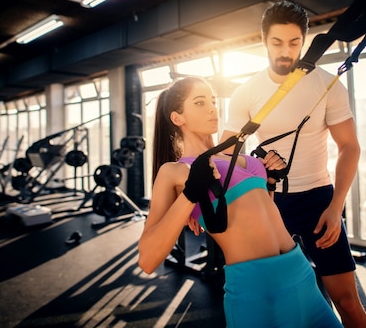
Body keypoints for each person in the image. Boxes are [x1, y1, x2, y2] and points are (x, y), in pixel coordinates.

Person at [138, 76, 342, 328]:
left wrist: (270, 183)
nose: (213, 108)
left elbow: (262, 216)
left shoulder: (245, 159)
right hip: (256, 287)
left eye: (212, 100)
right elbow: (147, 261)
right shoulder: (175, 172)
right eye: (200, 103)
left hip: (300, 272)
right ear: (178, 118)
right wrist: (190, 195)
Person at [221, 0, 366, 328]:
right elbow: (225, 155)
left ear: (303, 41)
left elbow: (349, 147)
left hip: (320, 201)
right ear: (264, 42)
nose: (285, 51)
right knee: (279, 304)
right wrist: (256, 161)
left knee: (347, 301)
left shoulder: (327, 84)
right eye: (277, 43)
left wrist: (336, 207)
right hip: (271, 203)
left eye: (293, 42)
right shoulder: (246, 92)